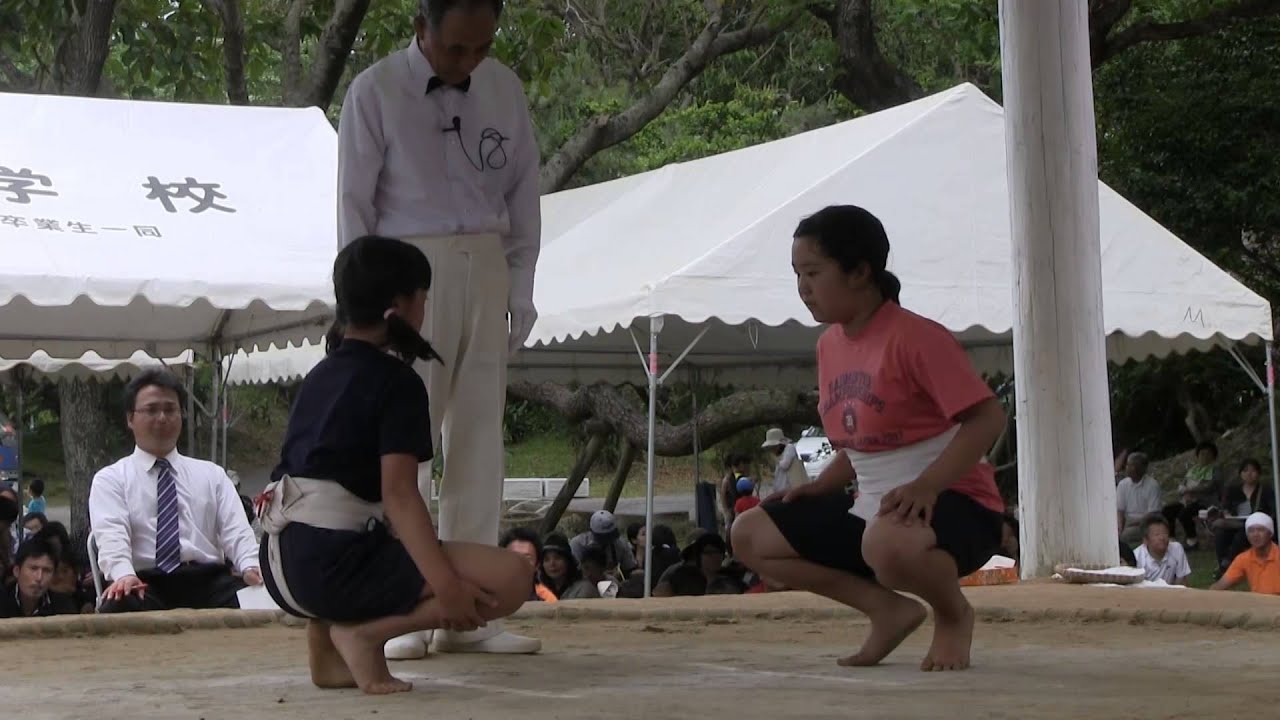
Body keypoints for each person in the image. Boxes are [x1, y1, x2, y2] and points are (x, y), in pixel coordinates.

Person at [337, 0, 542, 659]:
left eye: (481, 48)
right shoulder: (374, 90)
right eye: (456, 48)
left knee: (481, 434)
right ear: (420, 27)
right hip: (404, 268)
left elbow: (523, 193)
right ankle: (405, 602)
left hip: (485, 257)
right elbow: (353, 204)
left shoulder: (503, 87)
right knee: (405, 439)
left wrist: (521, 284)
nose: (469, 61)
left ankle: (474, 615)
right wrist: (362, 307)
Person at [733, 205, 1007, 672]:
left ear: (860, 271)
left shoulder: (918, 337)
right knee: (751, 532)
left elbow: (987, 418)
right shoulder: (829, 345)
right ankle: (887, 610)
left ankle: (952, 613)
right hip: (874, 506)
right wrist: (821, 486)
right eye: (797, 273)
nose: (803, 288)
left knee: (886, 543)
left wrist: (927, 486)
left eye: (814, 272)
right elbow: (862, 443)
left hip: (957, 503)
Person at [258, 235, 532, 695]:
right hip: (330, 567)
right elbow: (401, 497)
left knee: (365, 532)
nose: (425, 309)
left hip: (279, 562)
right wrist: (445, 587)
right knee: (513, 577)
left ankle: (326, 641)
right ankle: (364, 634)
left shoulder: (319, 374)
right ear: (400, 306)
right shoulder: (397, 382)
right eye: (423, 299)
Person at [89, 369, 262, 613]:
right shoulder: (110, 479)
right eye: (151, 410)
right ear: (130, 418)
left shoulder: (212, 475)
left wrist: (250, 565)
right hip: (146, 584)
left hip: (209, 581)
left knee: (259, 597)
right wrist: (123, 574)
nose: (162, 418)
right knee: (118, 603)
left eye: (170, 410)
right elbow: (111, 536)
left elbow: (237, 531)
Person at [0, 537, 78, 618]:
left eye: (47, 570)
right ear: (17, 571)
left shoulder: (63, 605)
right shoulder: (2, 600)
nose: (39, 577)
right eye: (33, 569)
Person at [1210, 512, 1280, 595]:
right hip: (1259, 605)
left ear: (1270, 533)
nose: (1255, 535)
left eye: (1261, 530)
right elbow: (1221, 585)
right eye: (1251, 531)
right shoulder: (1244, 558)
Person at [569, 511, 638, 578]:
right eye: (604, 537)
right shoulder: (578, 544)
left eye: (611, 536)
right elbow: (573, 572)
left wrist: (619, 574)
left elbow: (630, 568)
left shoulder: (620, 543)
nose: (608, 540)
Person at [1132, 515, 1191, 586]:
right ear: (1145, 540)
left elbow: (1182, 581)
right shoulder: (1136, 557)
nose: (1162, 538)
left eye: (1165, 533)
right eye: (1157, 535)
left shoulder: (1177, 549)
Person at [762, 428, 809, 496]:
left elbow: (785, 465)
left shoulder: (789, 448)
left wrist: (776, 459)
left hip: (794, 489)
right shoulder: (778, 456)